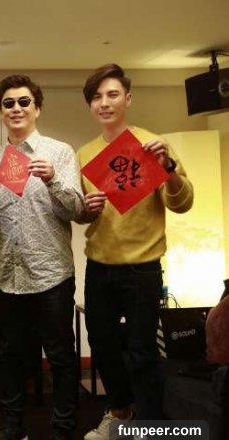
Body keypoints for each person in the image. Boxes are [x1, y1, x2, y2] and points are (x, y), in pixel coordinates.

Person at [77, 64, 194, 440]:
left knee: (144, 351)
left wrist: (167, 170)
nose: (104, 103)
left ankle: (150, 424)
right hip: (99, 264)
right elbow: (80, 214)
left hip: (143, 267)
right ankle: (119, 412)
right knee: (102, 345)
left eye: (112, 94)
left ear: (128, 98)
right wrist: (85, 208)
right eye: (97, 97)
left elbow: (182, 203)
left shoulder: (152, 144)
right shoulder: (84, 154)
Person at [0, 74, 83, 440]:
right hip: (9, 276)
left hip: (51, 274)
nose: (16, 108)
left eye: (24, 101)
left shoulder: (60, 152)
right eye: (8, 103)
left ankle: (63, 429)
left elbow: (77, 210)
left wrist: (53, 178)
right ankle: (13, 429)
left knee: (61, 356)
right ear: (1, 111)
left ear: (37, 108)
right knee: (11, 357)